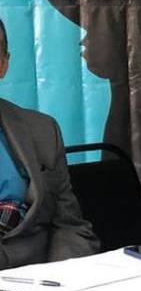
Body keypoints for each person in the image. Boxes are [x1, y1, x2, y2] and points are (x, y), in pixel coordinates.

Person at [0, 16, 98, 268]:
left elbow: (69, 226)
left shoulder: (42, 130)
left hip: (41, 278)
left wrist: (65, 278)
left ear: (4, 65)